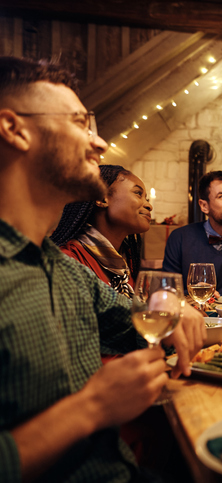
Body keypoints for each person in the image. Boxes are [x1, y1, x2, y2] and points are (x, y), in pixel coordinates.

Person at [0, 56, 205, 482]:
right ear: (14, 129)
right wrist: (91, 407)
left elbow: (140, 320)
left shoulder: (66, 272)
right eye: (79, 123)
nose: (100, 143)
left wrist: (176, 311)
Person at [50, 165, 152, 298]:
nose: (149, 205)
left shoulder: (127, 261)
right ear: (102, 198)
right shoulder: (69, 261)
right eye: (138, 193)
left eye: (147, 198)